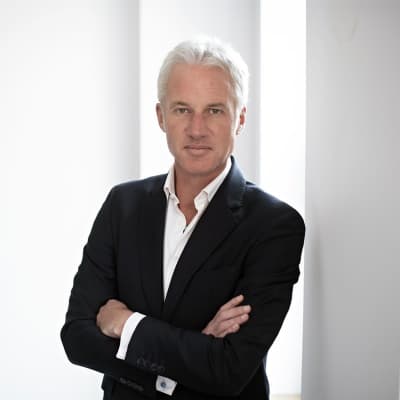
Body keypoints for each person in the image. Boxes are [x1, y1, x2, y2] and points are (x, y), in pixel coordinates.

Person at [61, 37, 305, 400]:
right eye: (181, 110)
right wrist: (192, 351)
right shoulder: (122, 205)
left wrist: (128, 325)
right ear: (161, 116)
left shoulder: (274, 226)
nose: (196, 129)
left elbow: (228, 370)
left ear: (240, 118)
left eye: (214, 110)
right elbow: (78, 338)